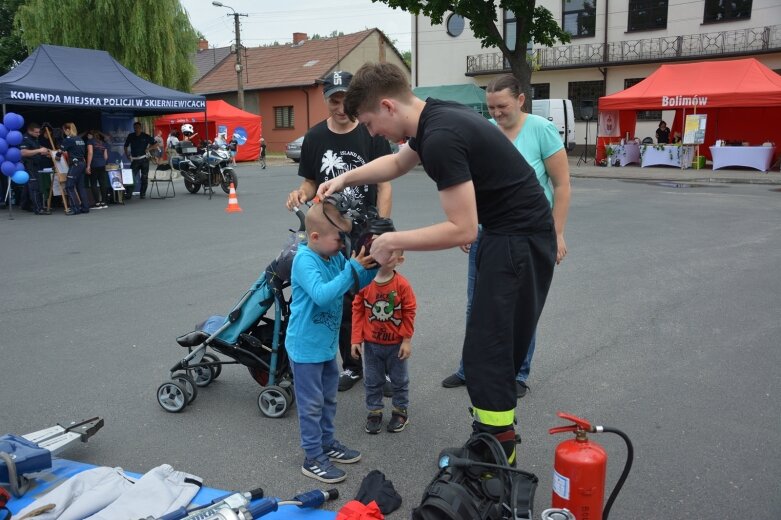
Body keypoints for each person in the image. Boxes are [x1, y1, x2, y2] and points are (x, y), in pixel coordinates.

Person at [317, 62, 556, 464]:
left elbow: (462, 229)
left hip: (519, 242)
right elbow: (395, 164)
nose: (372, 133)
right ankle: (491, 442)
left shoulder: (442, 137)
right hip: (510, 235)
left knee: (489, 354)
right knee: (486, 350)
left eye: (371, 123)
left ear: (389, 106)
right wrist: (344, 179)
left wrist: (391, 239)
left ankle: (496, 460)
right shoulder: (435, 115)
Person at [441, 74, 571, 398]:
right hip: (488, 233)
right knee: (476, 305)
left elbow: (562, 186)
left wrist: (557, 233)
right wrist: (467, 226)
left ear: (521, 99)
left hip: (529, 235)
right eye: (491, 107)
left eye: (502, 106)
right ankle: (469, 367)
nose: (496, 113)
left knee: (522, 308)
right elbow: (474, 186)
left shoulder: (541, 130)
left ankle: (518, 373)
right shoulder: (488, 133)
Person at [286, 70, 393, 393]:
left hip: (365, 228)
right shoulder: (316, 138)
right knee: (343, 300)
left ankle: (384, 369)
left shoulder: (371, 132)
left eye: (346, 99)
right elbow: (309, 182)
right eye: (334, 99)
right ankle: (352, 365)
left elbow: (384, 185)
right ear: (327, 100)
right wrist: (300, 194)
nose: (341, 106)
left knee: (376, 298)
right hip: (331, 232)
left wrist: (379, 229)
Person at [285, 201, 377, 483]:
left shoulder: (334, 257)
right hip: (305, 349)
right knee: (311, 405)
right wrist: (351, 268)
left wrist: (375, 262)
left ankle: (326, 444)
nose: (343, 245)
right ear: (315, 237)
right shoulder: (304, 260)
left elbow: (355, 282)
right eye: (339, 239)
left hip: (324, 348)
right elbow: (323, 294)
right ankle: (312, 457)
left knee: (328, 400)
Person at [351, 250, 416, 434]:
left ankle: (400, 410)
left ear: (399, 260)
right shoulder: (365, 283)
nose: (383, 258)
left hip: (396, 345)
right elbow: (357, 310)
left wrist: (406, 340)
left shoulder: (402, 285)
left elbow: (409, 312)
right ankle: (374, 410)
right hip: (371, 345)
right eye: (380, 253)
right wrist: (356, 339)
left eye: (389, 254)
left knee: (399, 380)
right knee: (372, 380)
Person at [20, 122, 53, 215]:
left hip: (35, 164)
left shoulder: (35, 139)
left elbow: (38, 148)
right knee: (35, 187)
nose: (38, 134)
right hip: (29, 165)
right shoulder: (25, 139)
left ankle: (24, 205)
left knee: (28, 186)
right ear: (30, 131)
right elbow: (23, 152)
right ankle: (38, 209)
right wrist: (39, 150)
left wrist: (48, 152)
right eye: (36, 132)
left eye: (39, 132)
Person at [59, 122, 90, 215]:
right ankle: (85, 207)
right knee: (81, 187)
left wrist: (56, 156)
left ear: (68, 130)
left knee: (69, 186)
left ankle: (75, 208)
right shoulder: (80, 139)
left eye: (64, 130)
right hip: (82, 163)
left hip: (75, 164)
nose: (64, 133)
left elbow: (60, 151)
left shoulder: (68, 140)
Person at [124, 122, 156, 199]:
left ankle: (143, 193)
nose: (136, 129)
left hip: (144, 159)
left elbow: (156, 144)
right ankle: (129, 194)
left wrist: (149, 148)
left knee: (144, 177)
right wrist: (127, 155)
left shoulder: (145, 136)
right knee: (131, 177)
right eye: (135, 127)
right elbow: (125, 146)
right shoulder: (131, 136)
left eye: (138, 127)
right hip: (135, 160)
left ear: (140, 128)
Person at [86, 130, 109, 208]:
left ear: (91, 135)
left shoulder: (90, 142)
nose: (88, 136)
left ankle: (97, 203)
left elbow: (90, 153)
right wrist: (102, 161)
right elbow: (106, 157)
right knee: (103, 183)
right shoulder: (103, 143)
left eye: (88, 135)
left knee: (93, 183)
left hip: (94, 164)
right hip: (102, 165)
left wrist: (88, 165)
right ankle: (104, 202)